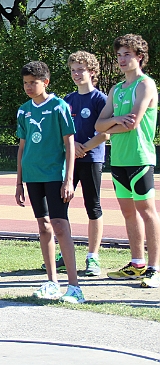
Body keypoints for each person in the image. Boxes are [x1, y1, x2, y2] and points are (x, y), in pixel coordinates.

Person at [95, 34, 160, 288]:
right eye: (119, 55)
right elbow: (99, 124)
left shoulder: (145, 85)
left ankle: (154, 268)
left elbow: (133, 123)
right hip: (119, 160)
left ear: (139, 57)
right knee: (128, 213)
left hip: (140, 157)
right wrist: (114, 121)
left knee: (147, 211)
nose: (122, 60)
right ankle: (137, 263)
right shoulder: (116, 89)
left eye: (127, 55)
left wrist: (111, 125)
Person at [15, 61, 82, 303]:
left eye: (33, 82)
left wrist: (69, 179)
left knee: (60, 226)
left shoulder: (59, 107)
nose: (28, 87)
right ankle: (52, 282)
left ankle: (74, 287)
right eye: (25, 83)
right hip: (32, 177)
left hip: (55, 175)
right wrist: (19, 182)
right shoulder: (23, 111)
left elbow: (69, 144)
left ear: (45, 82)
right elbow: (22, 148)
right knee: (43, 227)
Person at [64, 51, 109, 276]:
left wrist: (84, 148)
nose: (76, 74)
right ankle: (65, 253)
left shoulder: (100, 99)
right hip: (70, 161)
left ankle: (93, 257)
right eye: (73, 70)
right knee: (61, 205)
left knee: (93, 207)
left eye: (80, 69)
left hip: (92, 160)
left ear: (92, 71)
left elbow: (106, 133)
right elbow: (61, 131)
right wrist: (72, 147)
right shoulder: (68, 100)